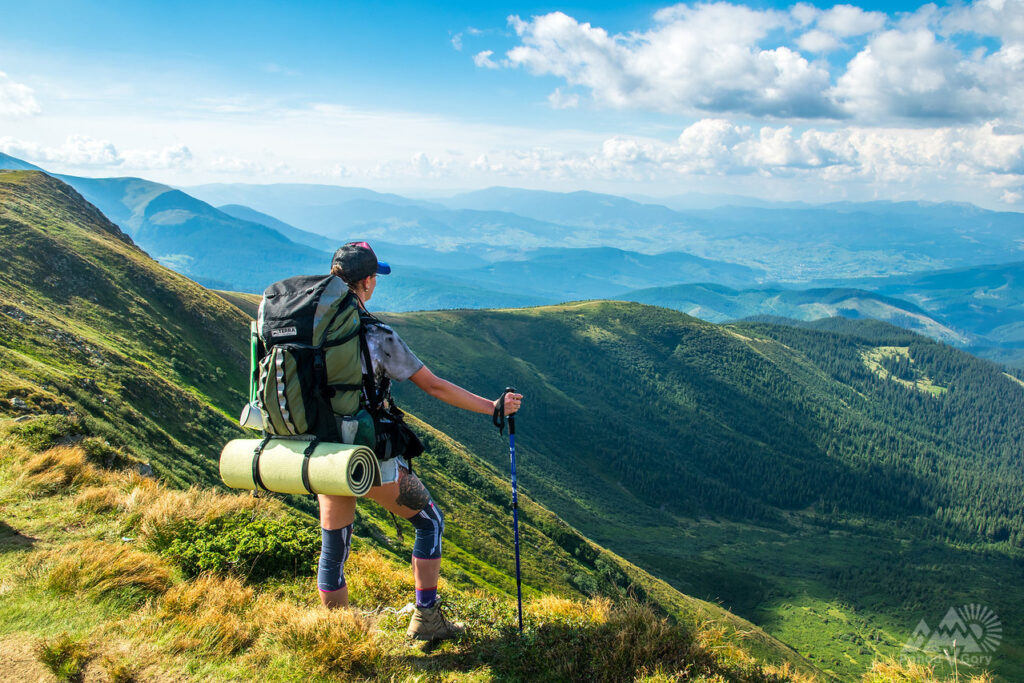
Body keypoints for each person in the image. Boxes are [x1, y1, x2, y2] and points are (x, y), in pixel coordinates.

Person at [317, 241, 523, 642]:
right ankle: (426, 619)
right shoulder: (376, 335)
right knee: (429, 521)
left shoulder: (309, 332)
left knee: (334, 545)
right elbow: (435, 386)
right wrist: (493, 407)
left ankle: (335, 638)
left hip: (320, 453)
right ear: (368, 281)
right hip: (366, 454)